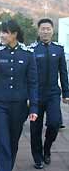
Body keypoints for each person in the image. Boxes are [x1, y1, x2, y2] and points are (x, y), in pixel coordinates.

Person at [0, 20, 38, 171]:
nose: (1, 35)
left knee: (13, 140)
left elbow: (33, 82)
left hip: (19, 104)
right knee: (1, 139)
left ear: (14, 34)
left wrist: (34, 107)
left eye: (5, 32)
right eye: (1, 32)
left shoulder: (28, 54)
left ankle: (7, 167)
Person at [29, 18, 69, 169]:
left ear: (52, 31)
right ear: (38, 31)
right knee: (35, 128)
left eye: (48, 29)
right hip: (35, 95)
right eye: (43, 29)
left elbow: (63, 73)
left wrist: (66, 93)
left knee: (54, 123)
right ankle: (37, 158)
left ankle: (47, 148)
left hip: (53, 93)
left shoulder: (58, 49)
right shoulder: (31, 49)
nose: (45, 31)